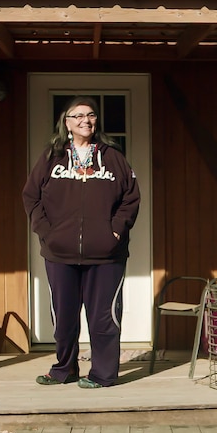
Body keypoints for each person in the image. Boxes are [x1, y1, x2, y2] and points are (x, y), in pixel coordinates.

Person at [22, 96, 140, 389]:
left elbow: (130, 198)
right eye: (78, 116)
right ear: (67, 122)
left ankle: (102, 374)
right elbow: (31, 197)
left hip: (106, 255)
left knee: (104, 318)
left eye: (90, 115)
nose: (85, 120)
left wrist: (115, 231)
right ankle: (64, 369)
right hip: (59, 253)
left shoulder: (112, 156)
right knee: (63, 319)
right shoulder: (52, 157)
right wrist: (47, 232)